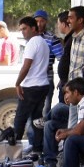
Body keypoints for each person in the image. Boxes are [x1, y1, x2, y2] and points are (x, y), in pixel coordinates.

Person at [12, 16, 50, 151]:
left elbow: (26, 66)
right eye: (21, 29)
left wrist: (17, 83)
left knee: (20, 119)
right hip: (43, 84)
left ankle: (13, 150)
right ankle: (38, 148)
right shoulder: (43, 42)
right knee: (37, 119)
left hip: (32, 86)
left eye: (25, 29)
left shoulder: (33, 43)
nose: (23, 32)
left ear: (33, 28)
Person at [33, 9, 63, 116]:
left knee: (44, 112)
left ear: (46, 22)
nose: (39, 24)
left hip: (46, 80)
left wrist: (62, 78)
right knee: (31, 112)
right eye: (37, 21)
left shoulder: (52, 39)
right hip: (31, 81)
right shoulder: (30, 38)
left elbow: (62, 59)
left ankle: (43, 132)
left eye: (42, 21)